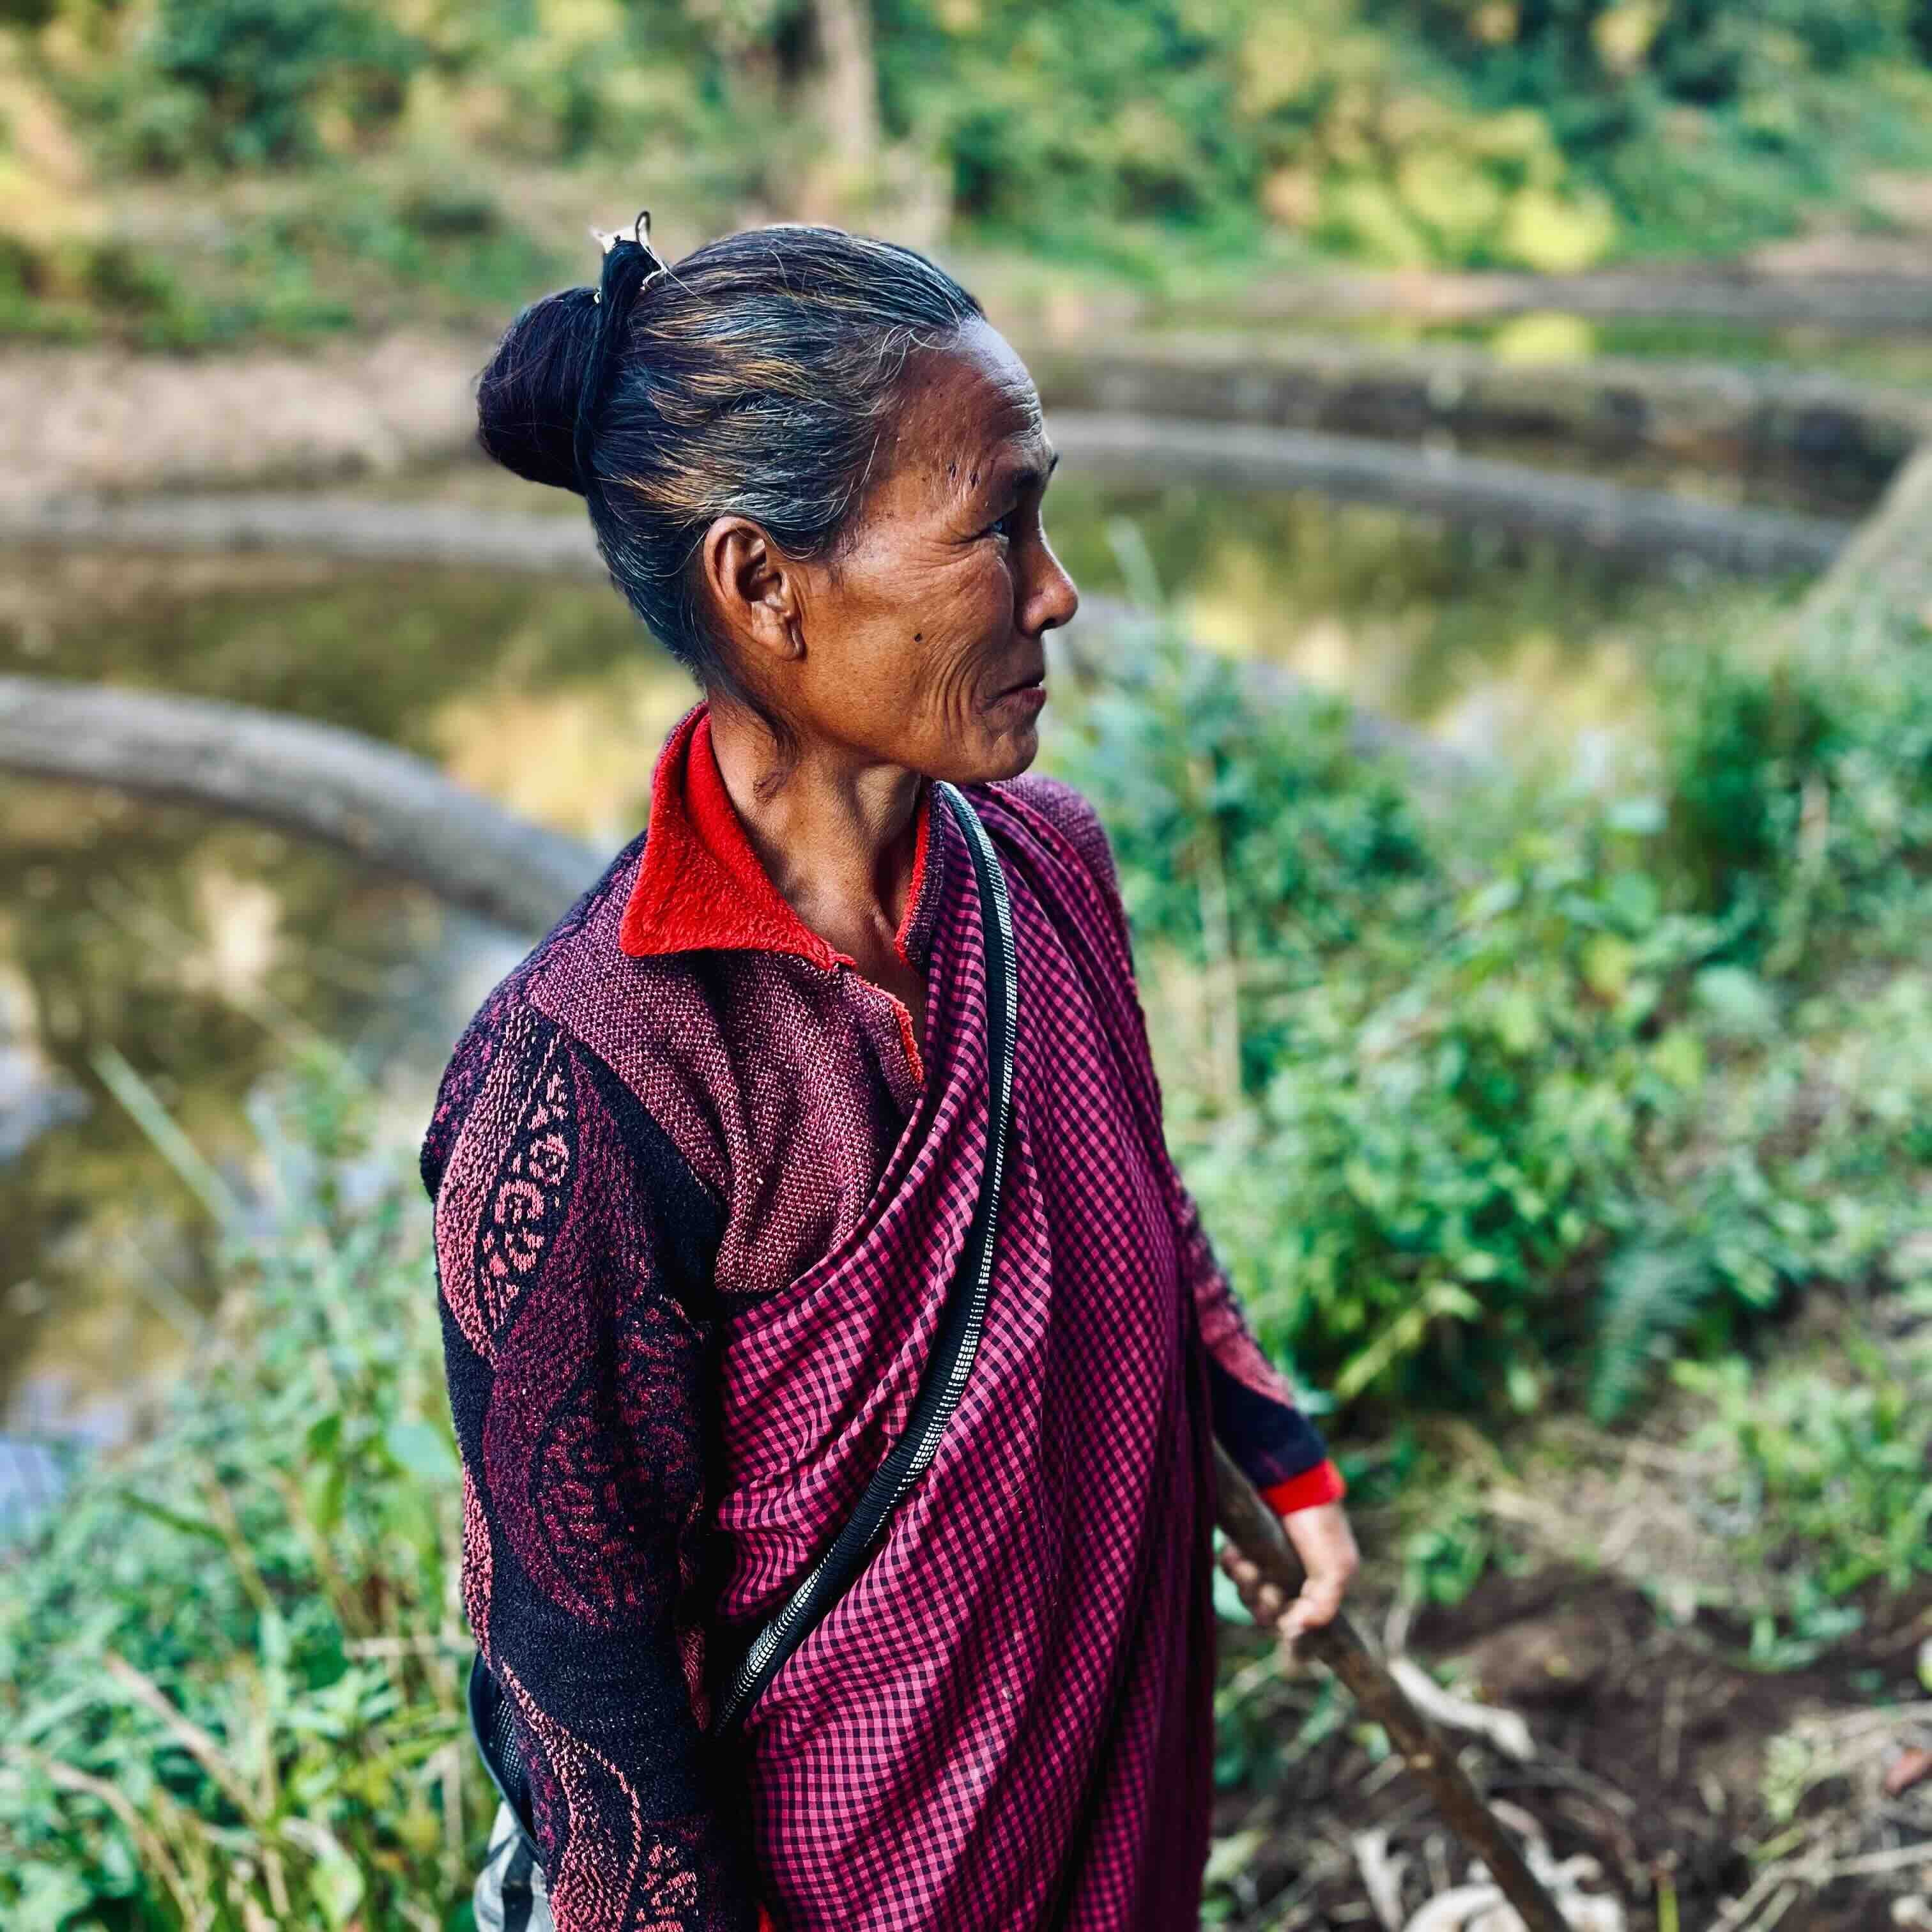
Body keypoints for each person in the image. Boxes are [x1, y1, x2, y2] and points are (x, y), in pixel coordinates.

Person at [422, 215, 1359, 1932]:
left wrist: (1271, 1445)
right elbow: (584, 1689)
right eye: (998, 527)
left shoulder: (1049, 863)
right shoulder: (595, 1079)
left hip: (1118, 1789)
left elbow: (1129, 1196)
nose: (1058, 590)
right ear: (762, 583)